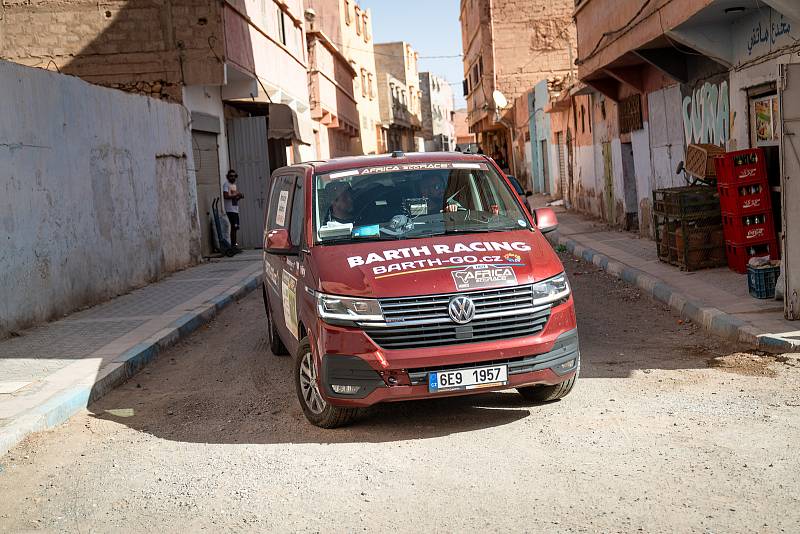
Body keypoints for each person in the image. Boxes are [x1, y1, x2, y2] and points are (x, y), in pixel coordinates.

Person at [223, 169, 243, 248]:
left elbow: (234, 199)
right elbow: (226, 196)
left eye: (234, 176)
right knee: (233, 226)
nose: (233, 177)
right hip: (230, 210)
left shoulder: (233, 186)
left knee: (236, 227)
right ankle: (233, 246)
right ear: (228, 177)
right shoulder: (226, 185)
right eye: (231, 176)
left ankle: (234, 245)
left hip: (235, 209)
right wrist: (236, 195)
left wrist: (239, 197)